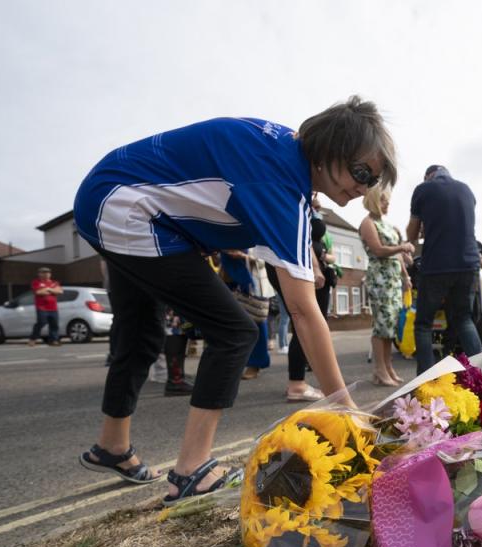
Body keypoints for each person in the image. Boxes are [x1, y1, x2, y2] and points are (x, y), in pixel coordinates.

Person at [73, 96, 396, 504]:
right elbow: (302, 310)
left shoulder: (283, 156)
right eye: (361, 171)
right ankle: (192, 470)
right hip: (127, 211)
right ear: (331, 148)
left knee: (140, 333)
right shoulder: (280, 182)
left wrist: (305, 255)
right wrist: (345, 408)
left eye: (373, 180)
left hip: (108, 198)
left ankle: (112, 446)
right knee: (235, 331)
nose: (363, 187)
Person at [406, 165, 482, 375]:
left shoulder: (423, 189)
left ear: (428, 176)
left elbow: (412, 234)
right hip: (469, 264)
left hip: (437, 265)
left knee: (423, 324)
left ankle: (427, 380)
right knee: (464, 319)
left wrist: (425, 228)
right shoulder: (466, 190)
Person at [264, 200, 332, 402]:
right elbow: (301, 237)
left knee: (304, 322)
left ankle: (302, 383)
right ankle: (299, 384)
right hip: (298, 264)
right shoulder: (294, 194)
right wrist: (316, 267)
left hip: (296, 263)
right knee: (305, 322)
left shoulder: (304, 200)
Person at [359, 186, 414, 385]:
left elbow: (397, 256)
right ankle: (379, 369)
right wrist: (402, 246)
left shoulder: (388, 225)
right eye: (384, 201)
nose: (387, 204)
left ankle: (388, 367)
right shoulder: (367, 223)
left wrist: (405, 276)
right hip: (379, 279)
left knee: (390, 325)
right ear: (374, 200)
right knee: (381, 325)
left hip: (392, 279)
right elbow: (379, 250)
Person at [220, 248, 271, 380]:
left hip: (251, 281)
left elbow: (266, 259)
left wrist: (243, 256)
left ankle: (255, 364)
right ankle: (231, 364)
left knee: (256, 322)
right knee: (228, 326)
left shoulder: (257, 231)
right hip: (227, 275)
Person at [28, 267, 63, 346]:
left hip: (53, 308)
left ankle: (53, 340)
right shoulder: (36, 282)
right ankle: (33, 338)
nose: (46, 274)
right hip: (41, 307)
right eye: (43, 272)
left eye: (48, 272)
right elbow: (38, 292)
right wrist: (52, 291)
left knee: (54, 324)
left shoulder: (54, 282)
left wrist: (48, 289)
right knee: (42, 322)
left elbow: (60, 291)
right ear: (39, 274)